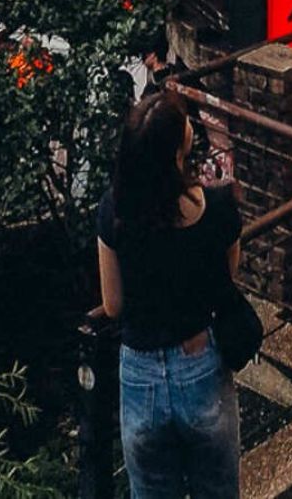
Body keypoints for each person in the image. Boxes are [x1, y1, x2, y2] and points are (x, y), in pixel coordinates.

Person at [96, 90, 244, 499]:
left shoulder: (115, 212)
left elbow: (113, 305)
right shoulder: (215, 208)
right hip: (199, 361)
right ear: (179, 147)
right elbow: (226, 276)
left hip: (140, 370)